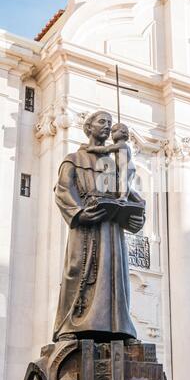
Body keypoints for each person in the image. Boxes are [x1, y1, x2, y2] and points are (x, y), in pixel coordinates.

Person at [53, 110, 145, 343]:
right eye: (102, 122)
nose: (107, 126)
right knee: (78, 271)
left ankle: (119, 329)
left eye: (110, 123)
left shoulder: (114, 164)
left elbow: (130, 196)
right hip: (86, 227)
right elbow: (63, 191)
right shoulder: (73, 159)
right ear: (89, 126)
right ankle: (70, 325)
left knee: (114, 276)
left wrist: (136, 218)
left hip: (112, 230)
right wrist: (80, 212)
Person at [87, 122, 144, 204]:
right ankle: (140, 200)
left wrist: (93, 148)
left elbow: (106, 149)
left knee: (123, 181)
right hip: (125, 167)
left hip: (127, 166)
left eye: (114, 131)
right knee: (126, 184)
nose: (112, 134)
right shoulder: (121, 145)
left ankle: (123, 197)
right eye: (111, 132)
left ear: (123, 132)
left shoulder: (121, 144)